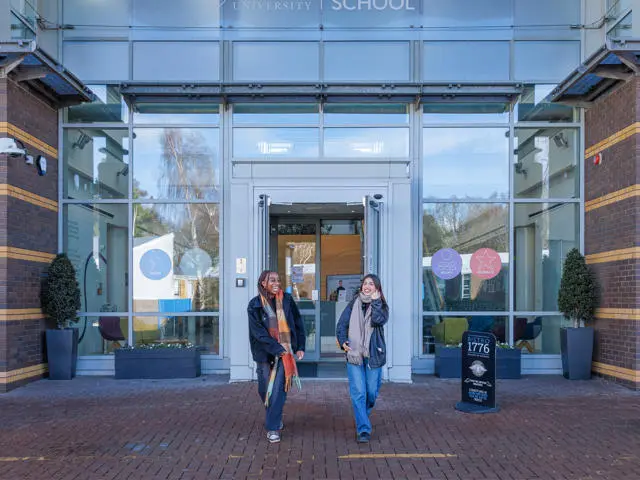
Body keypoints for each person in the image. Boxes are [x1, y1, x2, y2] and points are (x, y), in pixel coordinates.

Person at [248, 270, 306, 443]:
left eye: (278, 280)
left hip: (285, 352)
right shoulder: (254, 305)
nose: (276, 283)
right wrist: (276, 348)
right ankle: (274, 414)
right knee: (264, 390)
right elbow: (258, 333)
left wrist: (300, 346)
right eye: (272, 280)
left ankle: (272, 428)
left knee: (278, 390)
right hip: (264, 352)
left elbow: (298, 323)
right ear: (263, 283)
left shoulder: (286, 300)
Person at [336, 274, 388, 443]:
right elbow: (341, 324)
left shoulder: (382, 306)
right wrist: (343, 341)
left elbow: (378, 320)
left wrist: (376, 302)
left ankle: (361, 416)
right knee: (359, 392)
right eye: (365, 283)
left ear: (377, 288)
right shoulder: (354, 303)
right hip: (354, 353)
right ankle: (363, 429)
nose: (367, 286)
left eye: (371, 284)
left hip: (373, 355)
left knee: (371, 392)